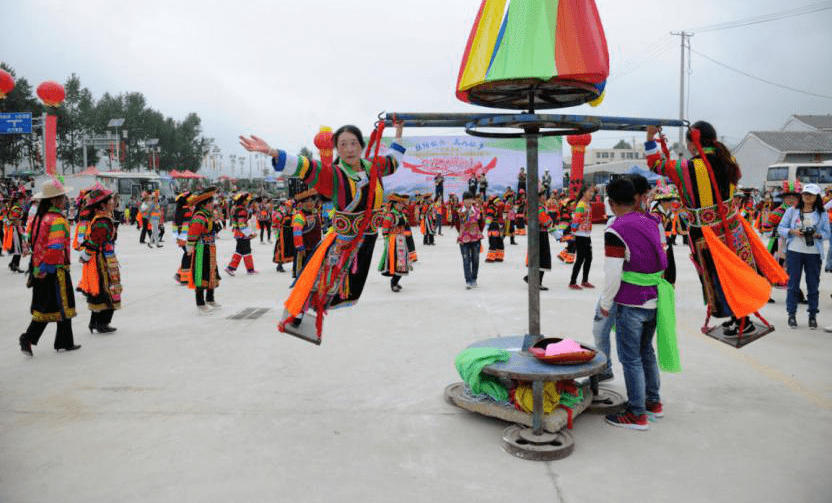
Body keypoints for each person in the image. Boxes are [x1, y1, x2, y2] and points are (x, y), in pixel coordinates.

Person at [240, 122, 405, 339]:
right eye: (343, 144)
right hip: (344, 241)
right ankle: (297, 318)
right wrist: (271, 151)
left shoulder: (373, 166)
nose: (349, 149)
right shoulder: (333, 174)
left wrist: (399, 129)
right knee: (321, 281)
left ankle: (302, 315)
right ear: (337, 149)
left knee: (346, 286)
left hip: (368, 239)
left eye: (353, 143)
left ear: (361, 146)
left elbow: (394, 160)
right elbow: (305, 166)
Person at [646, 122, 787, 337]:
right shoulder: (727, 159)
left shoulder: (689, 167)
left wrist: (650, 138)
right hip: (733, 227)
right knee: (736, 272)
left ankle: (739, 319)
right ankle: (741, 318)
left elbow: (655, 164)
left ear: (693, 143)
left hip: (707, 234)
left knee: (719, 276)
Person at [599, 176, 671, 430]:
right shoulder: (651, 221)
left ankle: (636, 413)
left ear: (611, 202)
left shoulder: (616, 228)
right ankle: (653, 402)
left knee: (630, 358)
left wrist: (605, 304)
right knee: (646, 352)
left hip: (630, 302)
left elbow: (612, 273)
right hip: (654, 297)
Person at [18, 179, 81, 356]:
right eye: (62, 197)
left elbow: (29, 240)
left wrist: (40, 267)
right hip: (55, 269)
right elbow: (55, 247)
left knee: (46, 307)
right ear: (54, 201)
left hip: (39, 268)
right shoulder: (57, 220)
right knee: (63, 305)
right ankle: (62, 341)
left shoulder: (38, 218)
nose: (66, 200)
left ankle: (32, 338)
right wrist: (49, 267)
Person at [778, 183, 830, 329]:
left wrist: (817, 235)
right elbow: (780, 228)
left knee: (813, 286)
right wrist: (792, 232)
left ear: (816, 197)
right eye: (805, 194)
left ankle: (812, 315)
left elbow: (827, 233)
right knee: (793, 285)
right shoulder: (792, 211)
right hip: (794, 251)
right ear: (801, 195)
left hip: (813, 253)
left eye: (811, 195)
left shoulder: (821, 213)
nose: (807, 197)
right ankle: (791, 315)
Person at [77, 187, 122, 334]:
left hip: (103, 257)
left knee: (102, 289)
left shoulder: (102, 217)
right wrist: (87, 254)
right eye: (110, 199)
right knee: (106, 288)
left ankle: (95, 322)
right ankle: (102, 322)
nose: (112, 201)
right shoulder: (102, 220)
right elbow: (96, 240)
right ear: (103, 204)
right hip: (102, 260)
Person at [187, 187, 221, 313]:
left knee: (211, 272)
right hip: (201, 248)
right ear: (205, 204)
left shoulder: (209, 216)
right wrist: (190, 248)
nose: (213, 205)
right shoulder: (199, 217)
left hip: (210, 248)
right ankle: (200, 303)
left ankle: (210, 298)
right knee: (200, 274)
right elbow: (193, 233)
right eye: (211, 203)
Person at [378, 194, 413, 292]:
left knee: (402, 263)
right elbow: (385, 230)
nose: (402, 205)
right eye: (400, 203)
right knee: (394, 262)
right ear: (395, 204)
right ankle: (393, 282)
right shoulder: (390, 215)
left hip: (401, 240)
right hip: (393, 242)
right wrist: (387, 242)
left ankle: (396, 281)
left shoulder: (401, 214)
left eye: (402, 203)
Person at [291, 189, 322, 279]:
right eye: (308, 201)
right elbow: (297, 233)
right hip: (304, 250)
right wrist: (300, 246)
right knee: (303, 274)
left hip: (315, 248)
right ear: (302, 204)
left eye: (312, 201)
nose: (311, 203)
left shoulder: (315, 214)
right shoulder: (299, 216)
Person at [569, 184, 595, 289]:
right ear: (584, 192)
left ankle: (585, 280)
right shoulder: (581, 205)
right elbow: (576, 218)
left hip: (586, 233)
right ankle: (572, 281)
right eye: (590, 191)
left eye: (593, 192)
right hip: (580, 234)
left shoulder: (588, 204)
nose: (592, 194)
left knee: (589, 258)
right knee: (580, 258)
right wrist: (573, 230)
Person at [225, 192, 258, 275]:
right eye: (246, 200)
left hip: (237, 234)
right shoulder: (242, 210)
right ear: (242, 201)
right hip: (243, 234)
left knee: (239, 251)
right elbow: (242, 224)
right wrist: (251, 234)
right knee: (246, 251)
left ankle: (231, 268)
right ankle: (249, 270)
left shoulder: (235, 208)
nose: (247, 202)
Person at [456, 191, 483, 289]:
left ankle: (474, 278)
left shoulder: (478, 210)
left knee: (475, 259)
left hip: (476, 238)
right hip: (464, 239)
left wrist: (477, 232)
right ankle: (468, 280)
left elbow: (481, 223)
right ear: (463, 200)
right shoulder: (459, 211)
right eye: (466, 199)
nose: (468, 201)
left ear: (472, 200)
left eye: (469, 199)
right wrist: (462, 232)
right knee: (466, 259)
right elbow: (457, 224)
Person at [172, 191, 193, 285]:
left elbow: (174, 225)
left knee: (188, 254)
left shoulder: (178, 211)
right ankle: (183, 277)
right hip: (186, 235)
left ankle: (179, 274)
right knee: (188, 254)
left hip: (180, 235)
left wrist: (177, 236)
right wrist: (184, 237)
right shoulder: (187, 211)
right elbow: (186, 225)